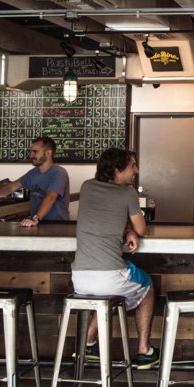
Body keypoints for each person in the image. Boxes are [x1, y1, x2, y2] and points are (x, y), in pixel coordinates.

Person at [72, 148, 160, 370]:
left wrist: (126, 230)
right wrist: (131, 230)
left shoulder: (86, 187)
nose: (136, 170)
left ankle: (89, 344)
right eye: (132, 165)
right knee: (147, 285)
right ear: (116, 169)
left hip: (79, 279)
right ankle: (144, 351)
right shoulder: (128, 193)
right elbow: (142, 229)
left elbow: (104, 219)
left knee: (108, 296)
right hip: (110, 277)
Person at [0, 136, 70, 226]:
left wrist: (35, 218)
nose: (31, 155)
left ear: (48, 153)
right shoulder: (33, 173)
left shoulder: (59, 172)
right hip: (38, 224)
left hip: (56, 226)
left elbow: (51, 197)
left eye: (35, 152)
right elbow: (11, 187)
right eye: (30, 152)